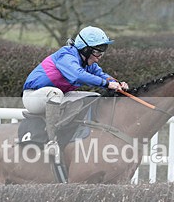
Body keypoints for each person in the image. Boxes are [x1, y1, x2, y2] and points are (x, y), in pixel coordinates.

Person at [22, 26, 129, 156]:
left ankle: (74, 133)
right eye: (97, 51)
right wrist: (106, 84)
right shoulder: (66, 55)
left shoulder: (87, 62)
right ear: (86, 49)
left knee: (93, 96)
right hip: (33, 97)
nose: (100, 56)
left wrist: (117, 83)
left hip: (57, 96)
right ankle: (51, 142)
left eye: (103, 51)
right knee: (55, 93)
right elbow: (78, 75)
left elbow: (101, 74)